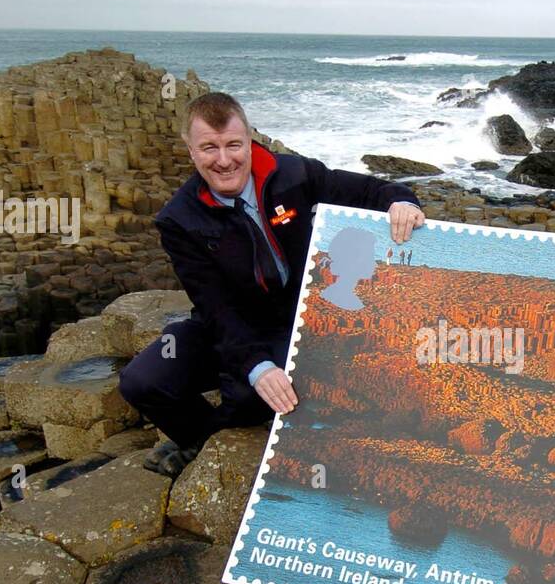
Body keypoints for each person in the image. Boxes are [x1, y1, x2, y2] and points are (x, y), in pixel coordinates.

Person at [119, 92, 425, 477]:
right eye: (209, 148)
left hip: (294, 321)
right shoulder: (178, 219)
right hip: (225, 324)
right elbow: (214, 306)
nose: (224, 159)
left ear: (249, 138)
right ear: (191, 150)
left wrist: (402, 202)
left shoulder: (295, 175)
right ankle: (200, 437)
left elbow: (369, 191)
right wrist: (255, 365)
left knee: (248, 396)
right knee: (142, 380)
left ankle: (222, 426)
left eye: (234, 144)